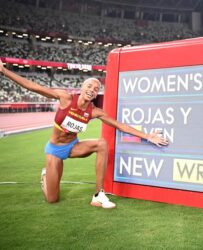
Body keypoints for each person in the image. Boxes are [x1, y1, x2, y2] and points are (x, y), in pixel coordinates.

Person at [0, 60, 168, 209]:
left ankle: (98, 195)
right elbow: (33, 87)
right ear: (81, 88)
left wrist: (147, 136)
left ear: (96, 95)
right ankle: (45, 175)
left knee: (101, 144)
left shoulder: (94, 111)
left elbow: (120, 125)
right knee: (52, 199)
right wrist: (4, 71)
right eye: (89, 86)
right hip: (55, 150)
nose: (92, 90)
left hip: (73, 147)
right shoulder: (65, 98)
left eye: (96, 89)